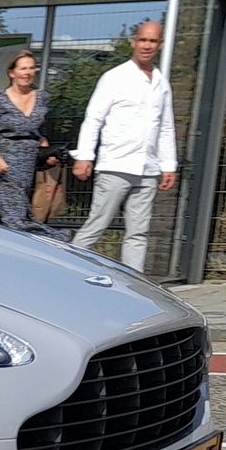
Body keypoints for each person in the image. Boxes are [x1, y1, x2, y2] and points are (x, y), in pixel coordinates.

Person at [69, 19, 178, 272]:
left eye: (152, 41)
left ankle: (135, 285)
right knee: (97, 225)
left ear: (160, 44)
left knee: (138, 233)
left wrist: (168, 165)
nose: (147, 46)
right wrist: (84, 156)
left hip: (148, 170)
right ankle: (70, 271)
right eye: (143, 40)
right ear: (134, 42)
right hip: (115, 165)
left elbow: (165, 126)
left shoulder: (161, 83)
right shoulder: (115, 77)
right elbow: (93, 118)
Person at [0, 48, 56, 236]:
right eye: (23, 68)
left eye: (32, 68)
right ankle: (58, 241)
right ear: (12, 73)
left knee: (16, 220)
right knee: (16, 222)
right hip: (4, 169)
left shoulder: (42, 98)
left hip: (29, 169)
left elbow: (40, 132)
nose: (28, 73)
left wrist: (46, 153)